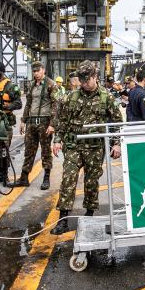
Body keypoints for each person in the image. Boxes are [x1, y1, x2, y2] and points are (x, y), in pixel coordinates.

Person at [52, 61, 123, 231]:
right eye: (81, 80)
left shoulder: (107, 97)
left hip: (95, 148)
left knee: (91, 182)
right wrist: (57, 140)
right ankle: (63, 219)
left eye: (86, 80)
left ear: (94, 77)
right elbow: (62, 121)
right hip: (74, 146)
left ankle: (89, 214)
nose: (83, 83)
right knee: (68, 179)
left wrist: (117, 143)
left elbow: (117, 122)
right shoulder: (72, 97)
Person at [9, 61, 57, 190]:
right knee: (29, 150)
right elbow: (28, 104)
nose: (36, 73)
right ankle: (24, 178)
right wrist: (23, 121)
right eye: (34, 71)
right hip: (32, 122)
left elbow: (56, 106)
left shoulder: (51, 84)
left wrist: (52, 124)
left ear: (43, 70)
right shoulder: (31, 85)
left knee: (46, 151)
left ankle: (46, 178)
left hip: (44, 122)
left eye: (38, 71)